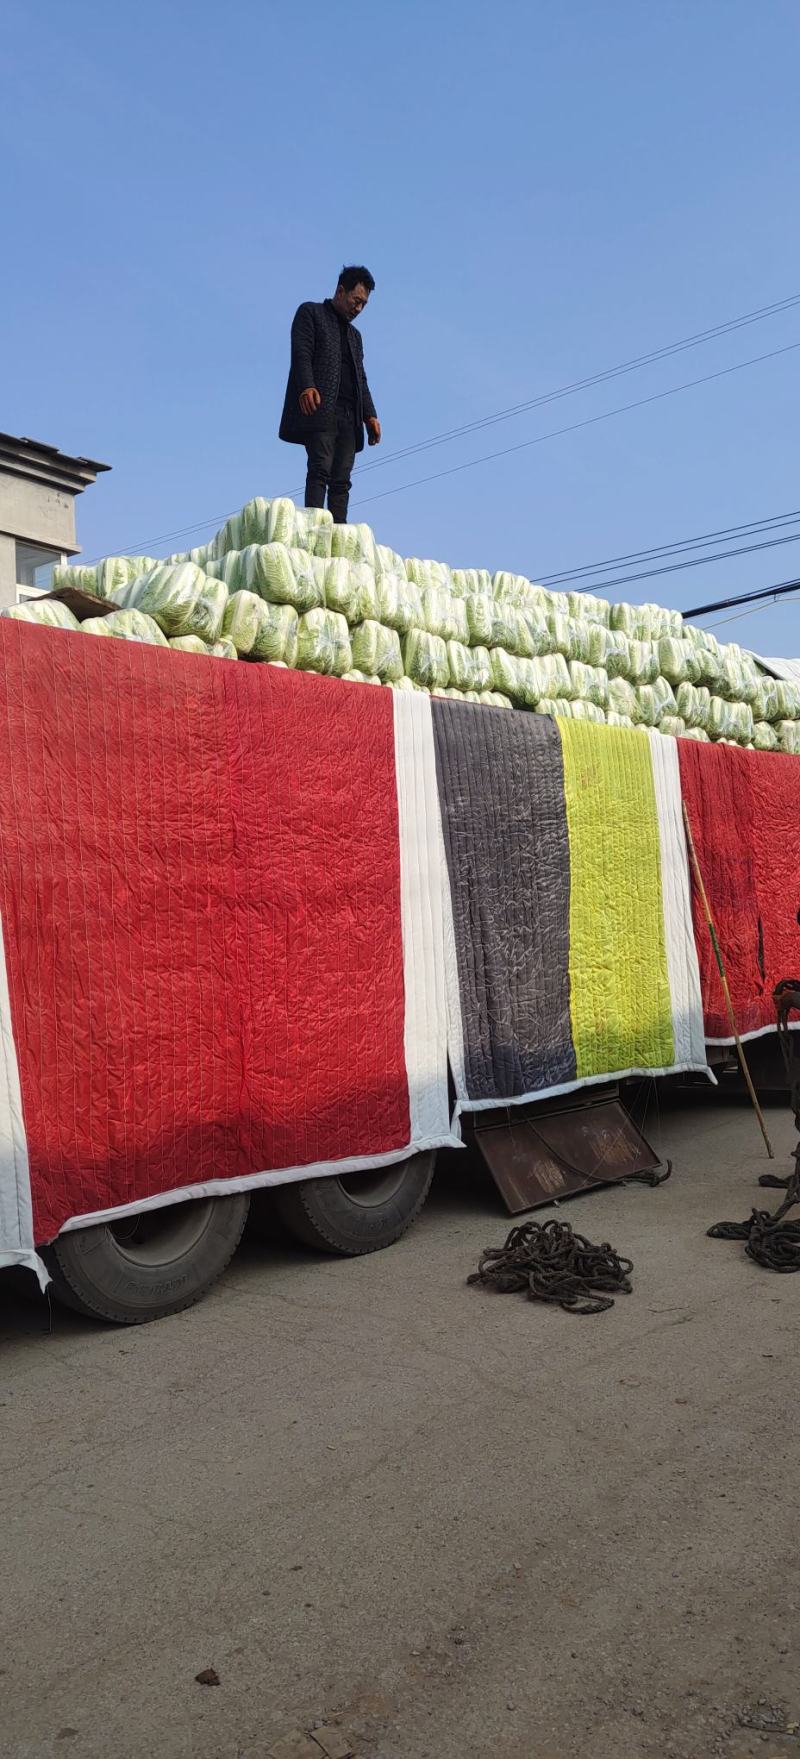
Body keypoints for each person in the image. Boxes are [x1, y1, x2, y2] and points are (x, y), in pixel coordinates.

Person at [279, 266, 381, 524]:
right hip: (322, 408)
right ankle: (314, 526)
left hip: (350, 415)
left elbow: (361, 377)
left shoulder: (355, 337)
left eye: (364, 305)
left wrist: (370, 415)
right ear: (340, 291)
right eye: (356, 301)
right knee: (320, 468)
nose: (358, 309)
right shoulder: (311, 313)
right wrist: (307, 386)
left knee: (342, 479)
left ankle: (339, 533)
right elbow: (301, 352)